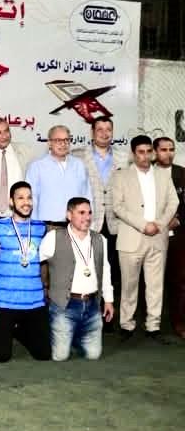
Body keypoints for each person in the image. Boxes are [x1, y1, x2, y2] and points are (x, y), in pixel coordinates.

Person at [111, 135, 178, 343]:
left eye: (149, 151)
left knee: (155, 285)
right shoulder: (120, 176)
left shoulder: (163, 175)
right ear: (133, 154)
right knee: (129, 286)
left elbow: (173, 202)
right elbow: (118, 207)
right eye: (141, 152)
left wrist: (159, 224)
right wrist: (143, 225)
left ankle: (153, 326)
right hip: (131, 238)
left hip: (158, 237)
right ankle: (126, 325)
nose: (146, 156)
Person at [39, 197, 114, 361]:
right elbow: (33, 262)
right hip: (64, 306)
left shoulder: (100, 239)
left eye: (89, 213)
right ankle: (56, 332)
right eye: (81, 213)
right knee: (60, 356)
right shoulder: (53, 237)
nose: (87, 217)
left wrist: (108, 300)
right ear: (69, 215)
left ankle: (73, 336)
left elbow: (105, 270)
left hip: (92, 306)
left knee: (93, 355)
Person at [0, 181, 50, 362]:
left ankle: (19, 331)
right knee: (1, 356)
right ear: (11, 202)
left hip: (34, 301)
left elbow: (45, 262)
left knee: (44, 354)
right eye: (20, 198)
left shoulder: (41, 227)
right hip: (5, 301)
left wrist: (46, 288)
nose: (26, 202)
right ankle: (1, 329)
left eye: (29, 198)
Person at [72, 116, 122, 331]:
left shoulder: (123, 157)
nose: (104, 133)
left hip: (115, 222)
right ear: (92, 133)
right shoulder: (77, 156)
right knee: (86, 270)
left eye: (108, 129)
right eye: (99, 129)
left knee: (112, 272)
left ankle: (108, 316)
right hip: (88, 222)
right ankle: (85, 318)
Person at [26, 125, 91, 227]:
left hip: (76, 226)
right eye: (58, 140)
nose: (63, 144)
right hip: (47, 226)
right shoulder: (37, 166)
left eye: (66, 140)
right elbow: (31, 199)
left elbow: (87, 196)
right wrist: (35, 227)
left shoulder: (79, 165)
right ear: (49, 143)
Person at [153, 136, 185, 339]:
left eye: (171, 149)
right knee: (151, 280)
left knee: (179, 279)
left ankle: (179, 322)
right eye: (163, 150)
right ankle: (150, 323)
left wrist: (179, 219)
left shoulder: (182, 173)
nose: (168, 153)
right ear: (155, 152)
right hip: (151, 233)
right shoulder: (146, 172)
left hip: (178, 235)